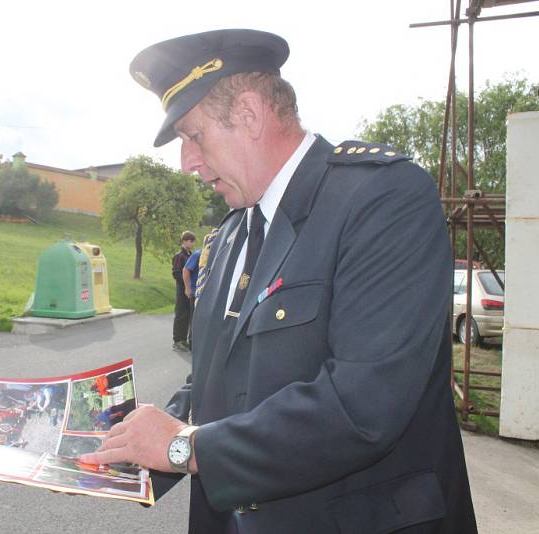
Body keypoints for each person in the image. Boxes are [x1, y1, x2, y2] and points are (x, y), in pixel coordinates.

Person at [81, 29, 477, 533]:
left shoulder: (382, 200)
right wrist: (130, 442)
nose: (187, 163)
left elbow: (362, 406)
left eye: (192, 135)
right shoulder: (227, 236)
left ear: (248, 115)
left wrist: (184, 447)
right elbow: (218, 382)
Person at [172, 230, 195, 351]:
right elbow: (176, 273)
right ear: (184, 241)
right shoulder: (179, 256)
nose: (192, 244)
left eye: (193, 241)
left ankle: (184, 339)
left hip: (190, 289)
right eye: (190, 241)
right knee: (180, 315)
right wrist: (186, 282)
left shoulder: (190, 255)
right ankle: (177, 340)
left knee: (187, 315)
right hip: (182, 289)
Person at [182, 247, 201, 348]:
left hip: (207, 292)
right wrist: (187, 288)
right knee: (195, 318)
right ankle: (192, 343)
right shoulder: (198, 254)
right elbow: (186, 270)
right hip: (196, 293)